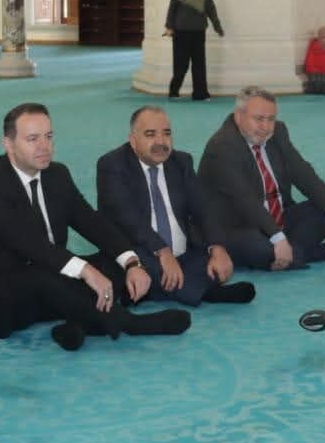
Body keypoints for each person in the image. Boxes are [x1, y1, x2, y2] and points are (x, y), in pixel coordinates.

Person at [0, 103, 191, 351]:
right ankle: (128, 323)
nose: (44, 146)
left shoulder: (56, 174)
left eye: (48, 136)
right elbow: (34, 247)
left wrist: (131, 262)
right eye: (32, 139)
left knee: (110, 262)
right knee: (52, 274)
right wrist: (87, 272)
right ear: (8, 144)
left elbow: (92, 222)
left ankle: (79, 324)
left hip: (48, 276)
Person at [94, 105, 256, 308]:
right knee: (149, 267)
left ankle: (157, 290)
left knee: (214, 260)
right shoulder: (112, 165)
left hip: (184, 252)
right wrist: (163, 251)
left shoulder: (181, 161)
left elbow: (203, 209)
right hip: (138, 247)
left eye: (167, 133)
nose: (161, 142)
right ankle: (206, 292)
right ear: (133, 141)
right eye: (150, 134)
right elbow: (129, 219)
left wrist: (218, 248)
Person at [197, 86, 325, 271]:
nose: (266, 127)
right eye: (258, 119)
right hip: (237, 226)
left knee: (323, 213)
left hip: (276, 217)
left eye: (271, 119)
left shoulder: (279, 133)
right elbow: (245, 200)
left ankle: (285, 255)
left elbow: (303, 173)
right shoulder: (222, 146)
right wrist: (278, 238)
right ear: (239, 116)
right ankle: (304, 254)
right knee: (257, 247)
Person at [163, 0, 224, 100]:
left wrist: (217, 26)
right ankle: (173, 91)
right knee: (181, 65)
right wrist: (169, 27)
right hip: (181, 33)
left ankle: (200, 94)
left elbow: (211, 10)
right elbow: (172, 10)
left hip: (198, 32)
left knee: (199, 65)